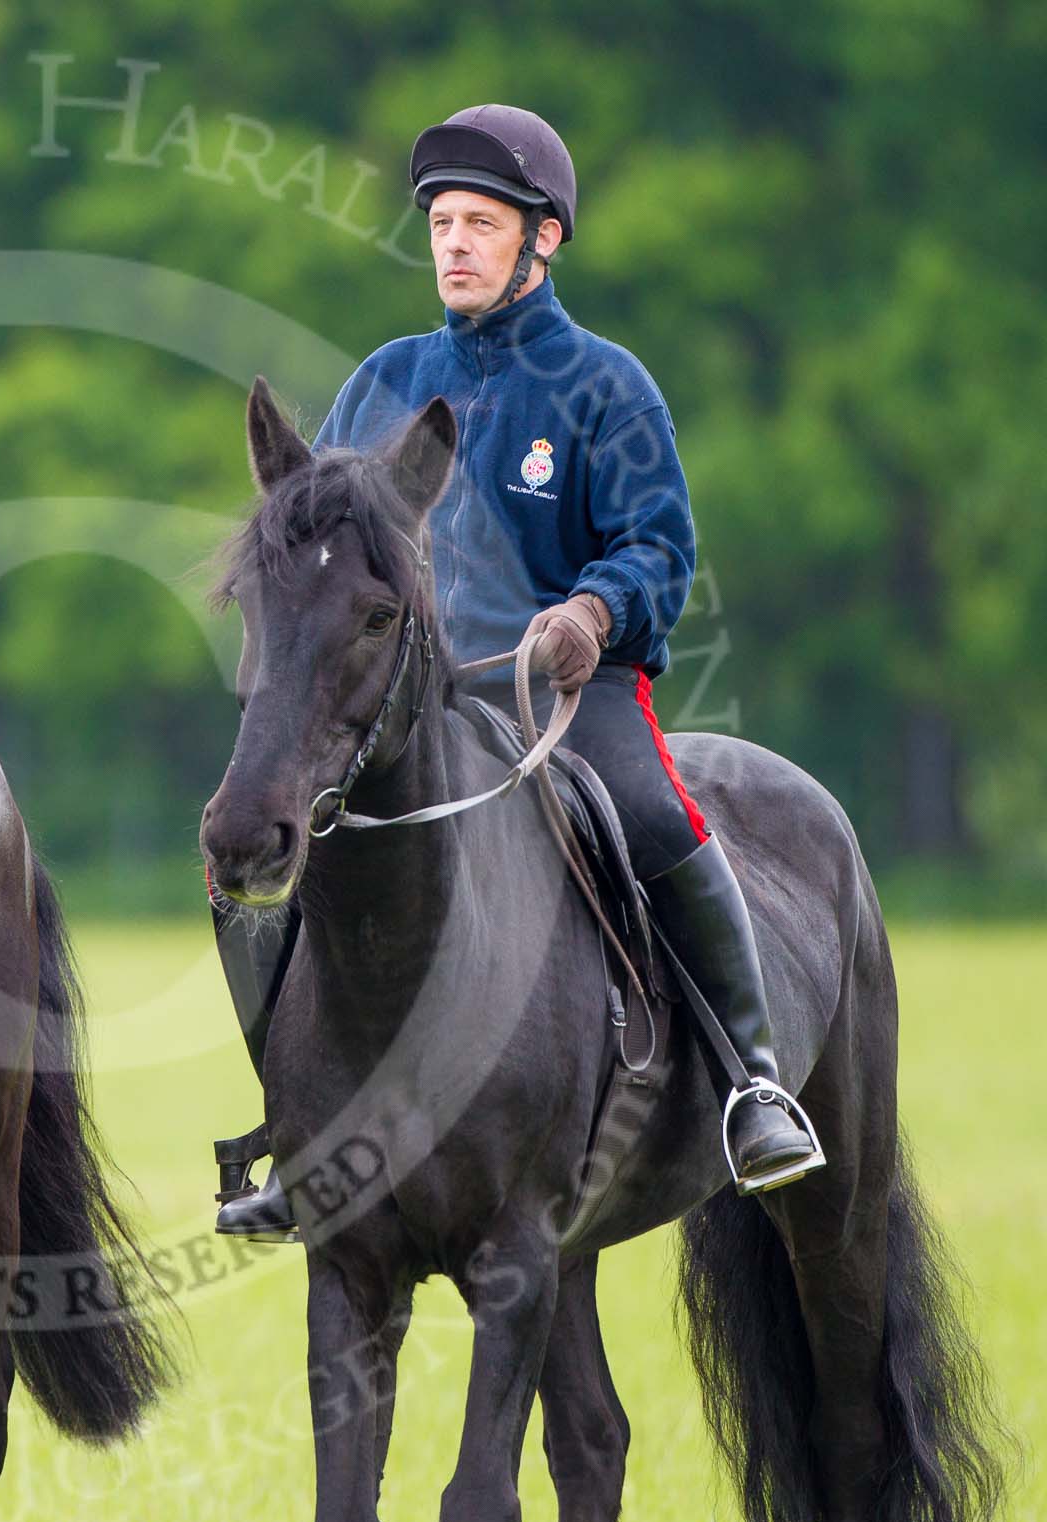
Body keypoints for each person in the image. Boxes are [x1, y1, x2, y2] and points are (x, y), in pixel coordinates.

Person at [214, 104, 821, 1241]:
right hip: (408, 709)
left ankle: (751, 1082)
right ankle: (294, 1136)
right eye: (441, 222)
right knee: (254, 845)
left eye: (480, 223)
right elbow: (324, 548)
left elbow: (657, 547)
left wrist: (592, 610)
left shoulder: (605, 386)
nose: (452, 242)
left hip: (565, 697)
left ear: (541, 240)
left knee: (648, 810)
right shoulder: (383, 380)